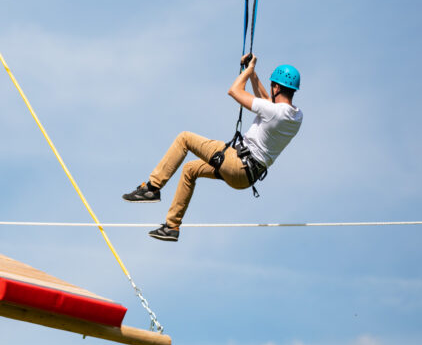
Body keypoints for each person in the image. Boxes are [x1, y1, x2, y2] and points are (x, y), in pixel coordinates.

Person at [122, 55, 302, 241]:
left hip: (236, 163)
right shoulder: (296, 116)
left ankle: (152, 187)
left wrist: (247, 72)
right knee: (190, 169)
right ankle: (172, 226)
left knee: (184, 138)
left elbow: (234, 91)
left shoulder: (274, 112)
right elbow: (267, 101)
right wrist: (253, 73)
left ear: (277, 87)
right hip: (246, 177)